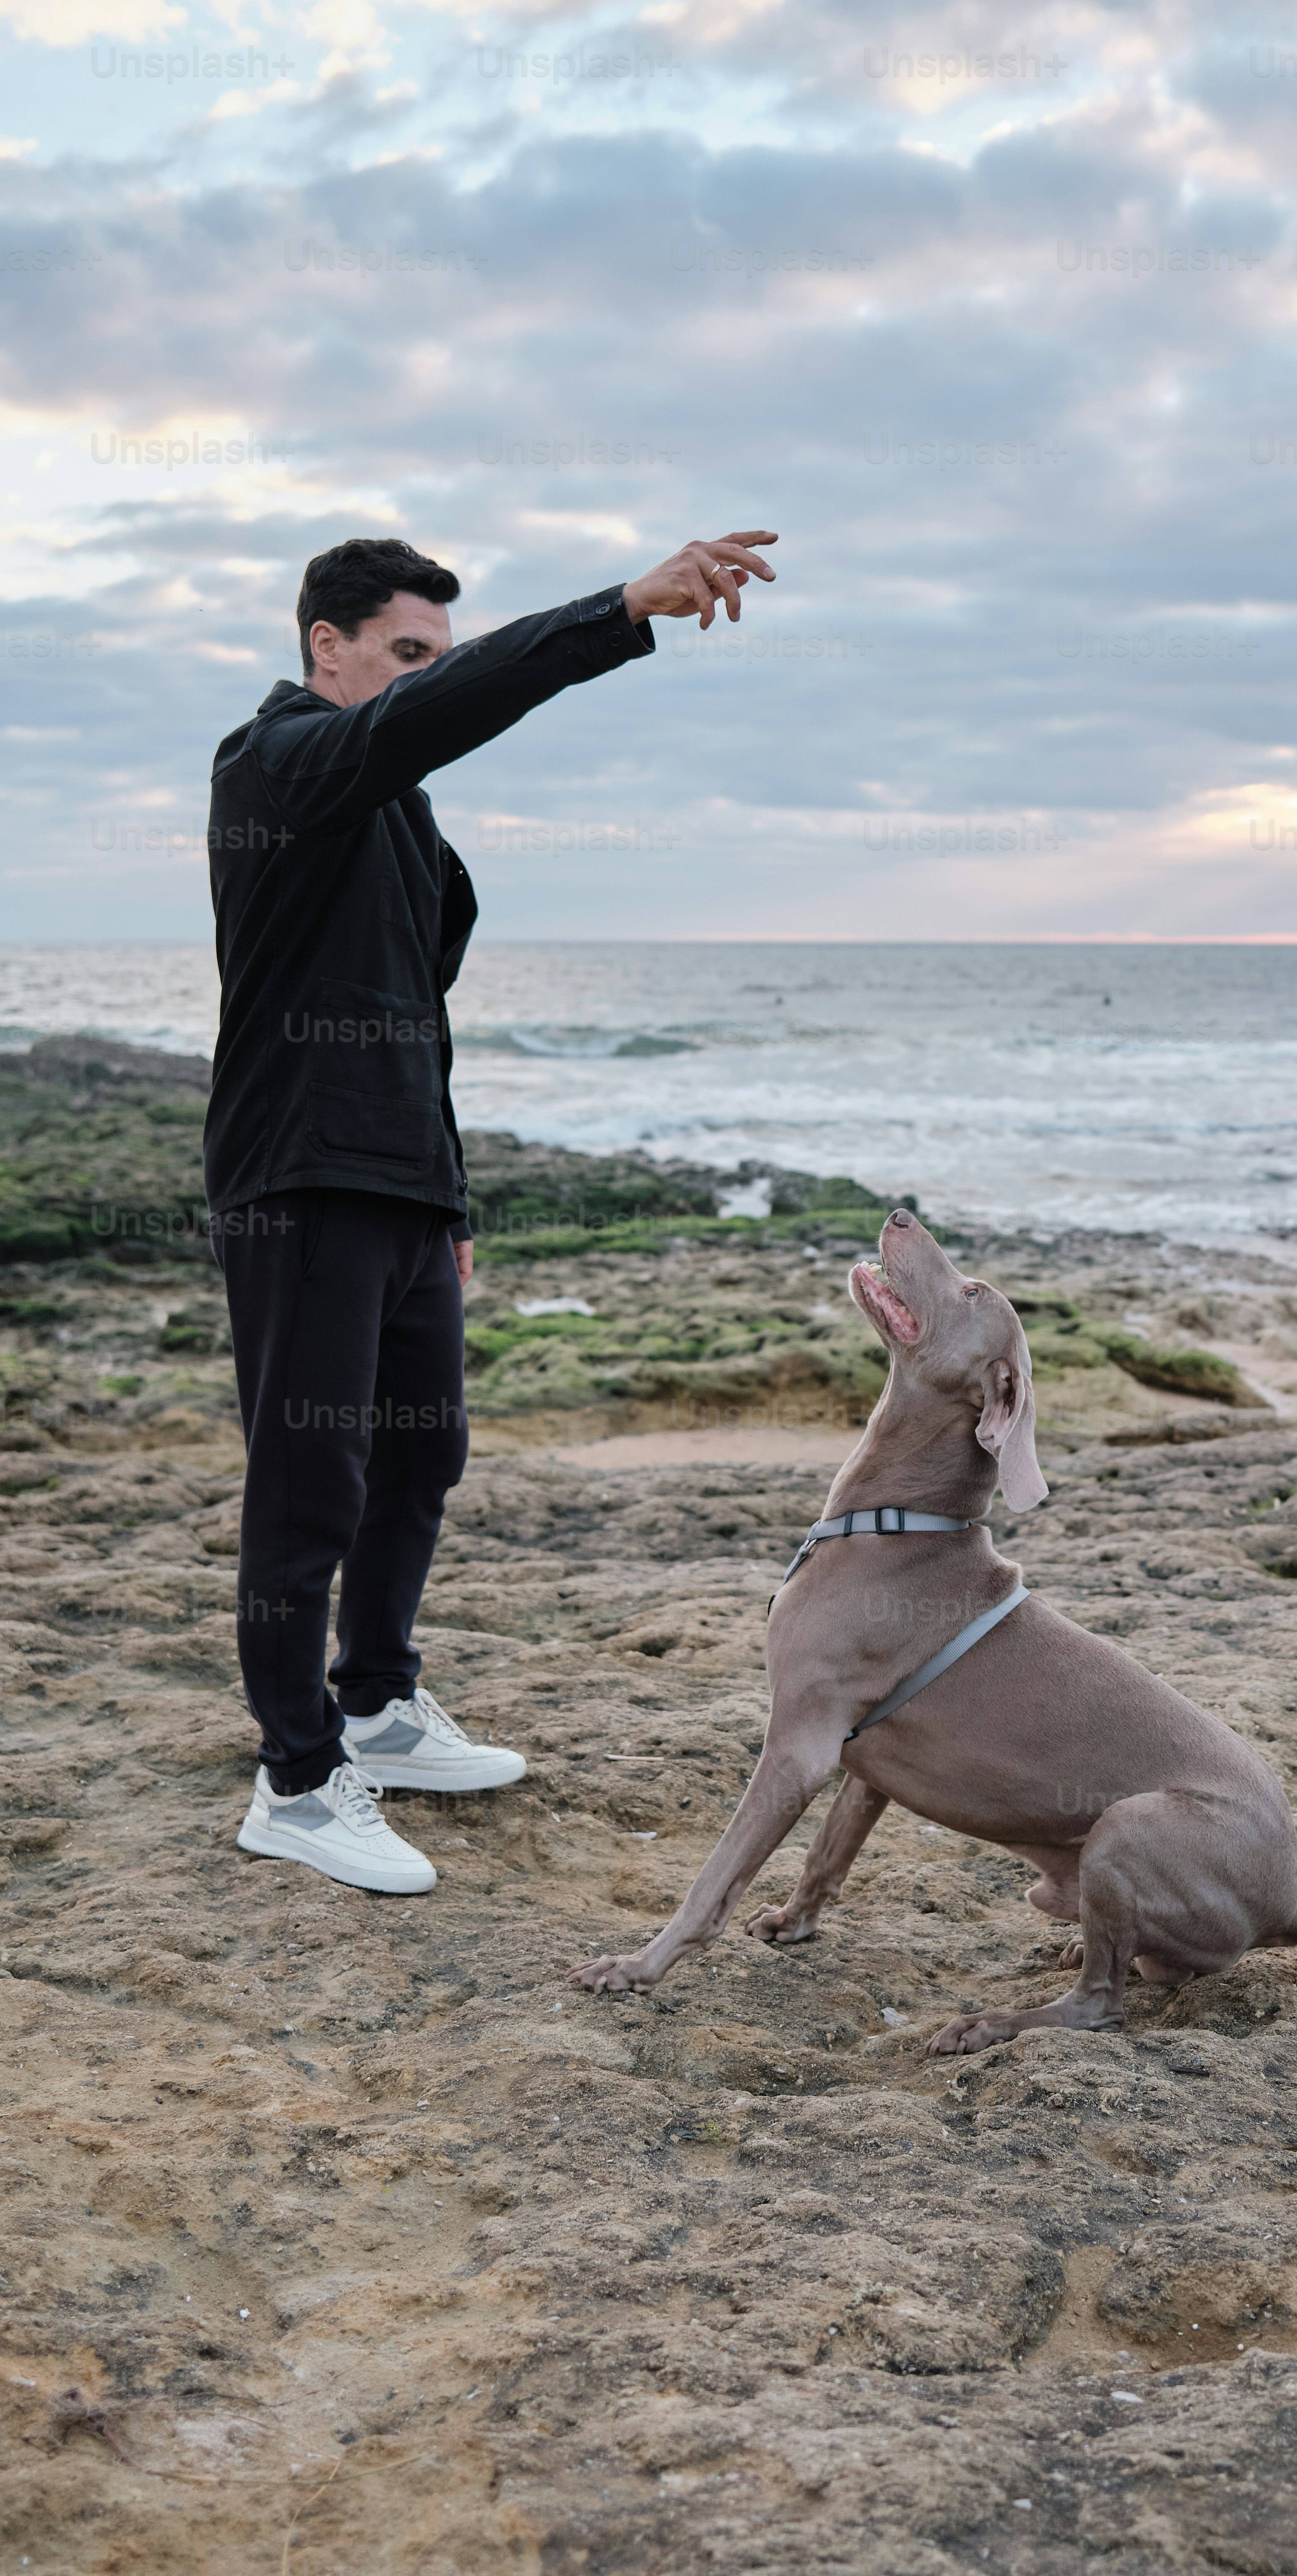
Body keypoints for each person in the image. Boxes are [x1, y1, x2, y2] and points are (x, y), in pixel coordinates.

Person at [203, 527, 777, 1893]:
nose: (419, 685)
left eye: (432, 663)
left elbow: (418, 1017)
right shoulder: (274, 762)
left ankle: (377, 1705)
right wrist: (617, 611)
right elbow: (450, 716)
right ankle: (293, 1780)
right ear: (323, 650)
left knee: (424, 1456)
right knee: (309, 1486)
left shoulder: (399, 812)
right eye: (403, 657)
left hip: (400, 1183)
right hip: (301, 1179)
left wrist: (446, 1193)